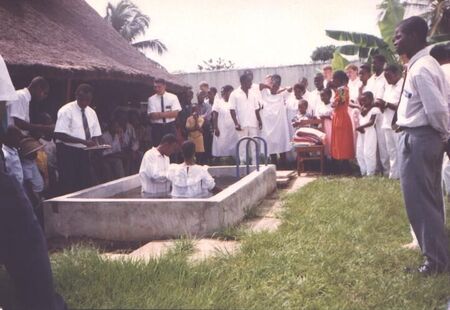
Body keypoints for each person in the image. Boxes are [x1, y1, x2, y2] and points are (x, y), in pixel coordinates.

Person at [394, 16, 449, 275]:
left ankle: (435, 262)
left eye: (399, 36)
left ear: (415, 36)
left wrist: (446, 137)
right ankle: (440, 256)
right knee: (430, 199)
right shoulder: (425, 64)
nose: (395, 41)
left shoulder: (421, 68)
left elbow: (437, 108)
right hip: (423, 136)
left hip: (420, 137)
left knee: (420, 202)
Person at [54, 84, 102, 194]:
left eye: (88, 100)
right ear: (76, 96)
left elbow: (96, 134)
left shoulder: (91, 112)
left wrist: (98, 144)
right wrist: (83, 142)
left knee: (83, 182)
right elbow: (59, 135)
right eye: (82, 99)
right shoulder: (66, 110)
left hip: (84, 152)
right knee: (68, 183)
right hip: (67, 152)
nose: (84, 102)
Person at [377, 64, 404, 179]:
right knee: (391, 151)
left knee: (400, 151)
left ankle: (402, 175)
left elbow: (403, 105)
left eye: (388, 76)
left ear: (396, 73)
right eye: (385, 76)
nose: (387, 79)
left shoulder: (403, 85)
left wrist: (387, 104)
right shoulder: (388, 86)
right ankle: (394, 176)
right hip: (387, 122)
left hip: (398, 124)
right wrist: (381, 105)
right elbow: (386, 103)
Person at [230, 73, 263, 164]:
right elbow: (232, 110)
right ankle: (242, 164)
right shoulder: (235, 94)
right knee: (242, 145)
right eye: (249, 81)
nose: (251, 84)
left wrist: (259, 121)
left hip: (253, 123)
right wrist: (236, 123)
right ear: (243, 82)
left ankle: (255, 164)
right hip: (242, 124)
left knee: (254, 144)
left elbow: (256, 109)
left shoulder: (253, 94)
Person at [260, 74, 291, 166]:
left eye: (278, 85)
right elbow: (259, 86)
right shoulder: (264, 93)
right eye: (273, 84)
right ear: (270, 83)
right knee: (271, 147)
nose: (275, 87)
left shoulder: (282, 94)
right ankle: (274, 166)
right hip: (268, 126)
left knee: (282, 146)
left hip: (280, 125)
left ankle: (284, 166)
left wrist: (282, 89)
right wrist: (268, 86)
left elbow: (290, 89)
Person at [368, 55, 389, 176]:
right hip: (371, 114)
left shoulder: (386, 78)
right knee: (372, 143)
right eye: (372, 63)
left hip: (382, 114)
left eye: (375, 63)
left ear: (382, 63)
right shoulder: (371, 80)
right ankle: (375, 169)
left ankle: (386, 171)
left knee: (383, 143)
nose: (373, 65)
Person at [139, 133, 178, 198]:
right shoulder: (150, 155)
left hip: (164, 196)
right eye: (173, 148)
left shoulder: (167, 158)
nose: (173, 151)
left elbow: (167, 177)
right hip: (150, 196)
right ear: (166, 145)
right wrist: (171, 174)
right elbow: (155, 176)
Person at [330, 70, 354, 174]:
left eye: (334, 79)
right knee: (338, 143)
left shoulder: (342, 88)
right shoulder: (339, 89)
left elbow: (342, 100)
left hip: (342, 118)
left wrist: (334, 102)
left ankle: (346, 168)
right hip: (338, 117)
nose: (333, 81)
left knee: (343, 143)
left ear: (339, 79)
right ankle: (341, 167)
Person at [148, 78, 182, 147]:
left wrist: (159, 114)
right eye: (155, 87)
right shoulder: (151, 99)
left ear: (164, 86)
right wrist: (169, 113)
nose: (157, 89)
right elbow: (153, 116)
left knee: (172, 149)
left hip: (170, 126)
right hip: (157, 128)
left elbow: (175, 114)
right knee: (157, 149)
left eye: (159, 87)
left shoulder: (173, 97)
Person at [355, 92, 380, 176]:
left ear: (371, 100)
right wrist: (360, 128)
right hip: (362, 132)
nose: (363, 102)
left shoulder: (374, 109)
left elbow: (371, 122)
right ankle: (363, 171)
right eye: (361, 101)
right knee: (360, 152)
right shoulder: (362, 109)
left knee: (369, 152)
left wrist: (361, 127)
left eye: (365, 100)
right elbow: (362, 117)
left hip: (369, 132)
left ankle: (370, 173)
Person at [212, 85, 238, 158]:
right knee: (222, 147)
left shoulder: (233, 102)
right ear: (227, 92)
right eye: (231, 92)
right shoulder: (218, 102)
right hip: (222, 129)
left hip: (232, 130)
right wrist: (215, 128)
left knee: (233, 148)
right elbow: (215, 115)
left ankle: (232, 161)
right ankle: (222, 162)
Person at [316, 88, 333, 157]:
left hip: (331, 127)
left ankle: (333, 160)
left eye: (324, 95)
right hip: (322, 127)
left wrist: (326, 117)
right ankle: (325, 160)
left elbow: (334, 116)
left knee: (331, 142)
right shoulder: (319, 106)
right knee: (324, 142)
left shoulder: (333, 105)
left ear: (329, 96)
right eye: (321, 96)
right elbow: (317, 116)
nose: (322, 97)